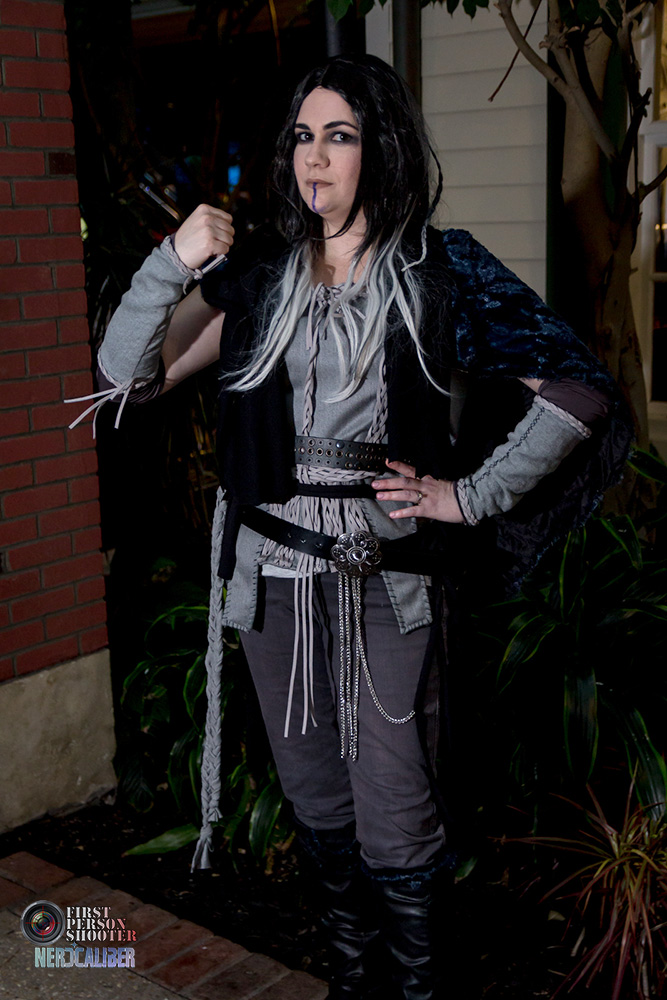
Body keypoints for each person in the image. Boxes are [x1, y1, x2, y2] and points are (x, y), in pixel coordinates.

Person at [74, 54, 633, 1000]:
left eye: (339, 136)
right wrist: (172, 260)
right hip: (271, 584)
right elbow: (125, 380)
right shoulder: (257, 277)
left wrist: (471, 495)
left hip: (387, 583)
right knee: (314, 795)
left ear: (383, 147)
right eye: (303, 136)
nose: (314, 158)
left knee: (397, 808)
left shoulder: (438, 270)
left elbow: (576, 391)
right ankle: (349, 978)